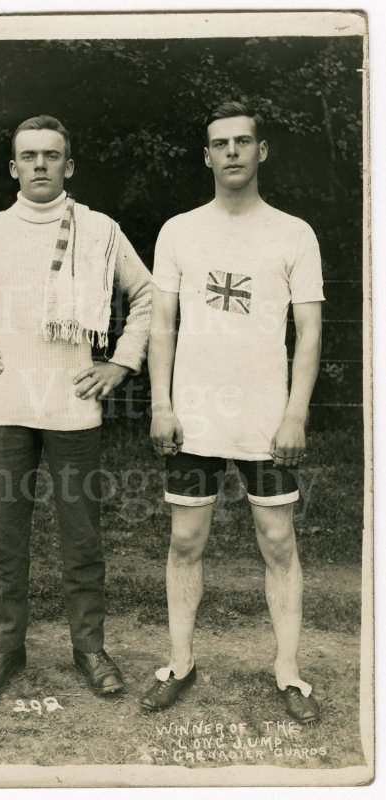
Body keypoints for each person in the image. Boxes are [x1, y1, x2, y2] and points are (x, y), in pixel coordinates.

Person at [0, 114, 152, 700]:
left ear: (68, 165)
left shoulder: (100, 230)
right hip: (6, 406)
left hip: (75, 408)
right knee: (5, 538)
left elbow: (148, 293)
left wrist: (122, 362)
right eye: (29, 156)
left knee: (82, 539)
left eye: (52, 156)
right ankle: (4, 650)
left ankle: (89, 649)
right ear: (14, 167)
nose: (41, 165)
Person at [140, 101, 323, 723]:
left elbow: (311, 332)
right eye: (221, 144)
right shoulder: (179, 230)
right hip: (194, 418)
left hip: (266, 420)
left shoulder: (294, 233)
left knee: (277, 539)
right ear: (208, 155)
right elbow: (161, 326)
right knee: (185, 539)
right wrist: (161, 404)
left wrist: (295, 413)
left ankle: (289, 672)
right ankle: (180, 663)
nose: (234, 153)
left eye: (244, 142)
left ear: (261, 151)